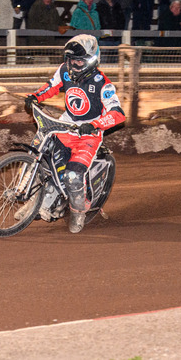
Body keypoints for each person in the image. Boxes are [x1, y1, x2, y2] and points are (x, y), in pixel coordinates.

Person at [24, 34, 126, 234]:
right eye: (71, 60)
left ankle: (79, 212)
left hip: (88, 134)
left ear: (91, 60)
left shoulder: (102, 83)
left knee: (73, 175)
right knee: (39, 155)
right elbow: (51, 86)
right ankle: (35, 201)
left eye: (79, 61)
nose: (74, 65)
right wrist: (35, 96)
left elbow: (118, 114)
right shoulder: (64, 71)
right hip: (65, 125)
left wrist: (95, 124)